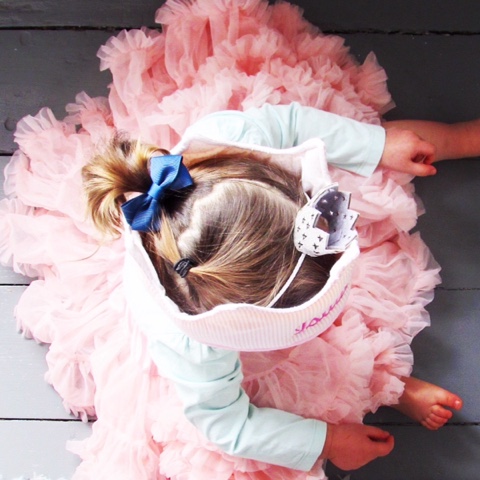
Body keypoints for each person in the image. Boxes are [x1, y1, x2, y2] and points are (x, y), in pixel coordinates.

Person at [82, 102, 476, 476]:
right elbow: (226, 423)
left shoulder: (231, 139)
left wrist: (377, 145)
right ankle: (386, 384)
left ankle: (456, 138)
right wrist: (327, 440)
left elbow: (291, 125)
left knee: (379, 154)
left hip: (262, 247)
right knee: (312, 377)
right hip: (236, 345)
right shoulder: (192, 346)